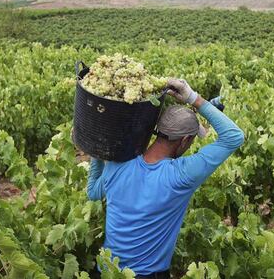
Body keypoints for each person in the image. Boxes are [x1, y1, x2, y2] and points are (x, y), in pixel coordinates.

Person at [87, 78, 244, 279]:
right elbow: (234, 136)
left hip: (106, 273)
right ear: (185, 140)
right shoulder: (180, 176)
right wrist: (192, 97)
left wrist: (97, 153)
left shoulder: (120, 163)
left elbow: (93, 193)